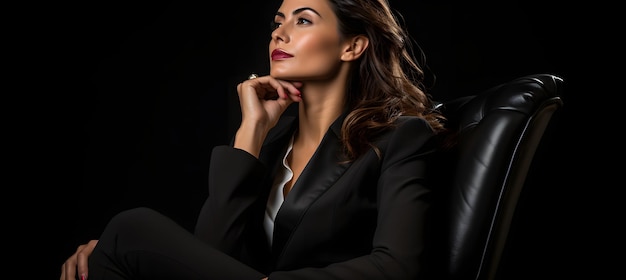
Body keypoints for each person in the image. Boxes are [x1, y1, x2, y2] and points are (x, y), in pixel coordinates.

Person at [60, 0, 446, 279]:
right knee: (109, 251)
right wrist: (252, 132)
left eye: (304, 20)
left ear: (352, 46)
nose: (280, 31)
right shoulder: (275, 142)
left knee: (131, 228)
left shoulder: (400, 136)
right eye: (278, 21)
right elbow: (213, 255)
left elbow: (398, 264)